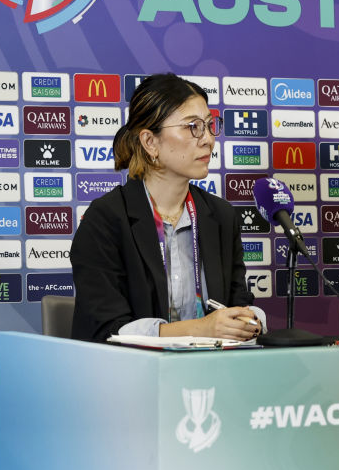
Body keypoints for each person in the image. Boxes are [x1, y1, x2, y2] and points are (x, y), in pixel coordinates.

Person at [71, 73, 265, 342]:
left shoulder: (221, 216)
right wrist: (201, 329)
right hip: (129, 368)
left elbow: (238, 303)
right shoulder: (106, 219)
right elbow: (107, 331)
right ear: (150, 142)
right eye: (193, 127)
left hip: (215, 366)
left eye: (210, 125)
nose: (208, 139)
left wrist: (248, 321)